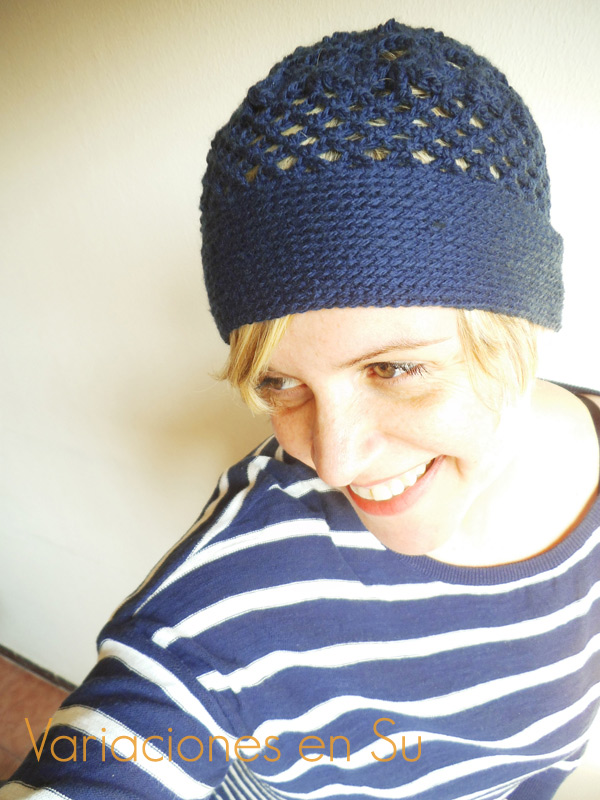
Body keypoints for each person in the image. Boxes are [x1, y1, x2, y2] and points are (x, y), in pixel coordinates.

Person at [3, 18, 600, 800]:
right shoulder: (229, 595)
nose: (335, 459)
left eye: (395, 368)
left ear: (527, 320)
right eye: (279, 385)